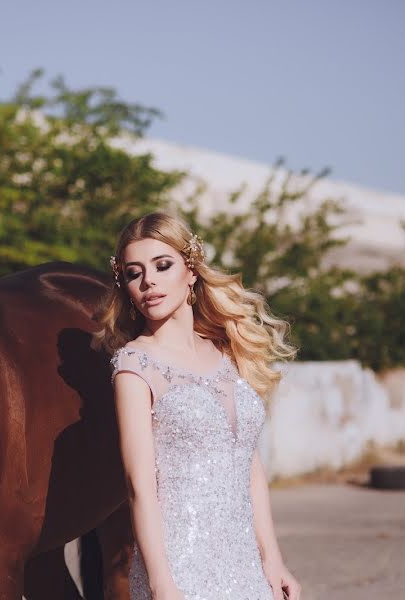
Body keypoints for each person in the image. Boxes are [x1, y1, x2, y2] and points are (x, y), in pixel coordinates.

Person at [92, 212, 302, 600]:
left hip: (244, 565)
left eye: (162, 265)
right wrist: (160, 583)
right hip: (179, 565)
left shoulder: (227, 352)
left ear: (191, 272)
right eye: (133, 273)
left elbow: (250, 468)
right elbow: (139, 485)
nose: (148, 281)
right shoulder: (134, 365)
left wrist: (272, 558)